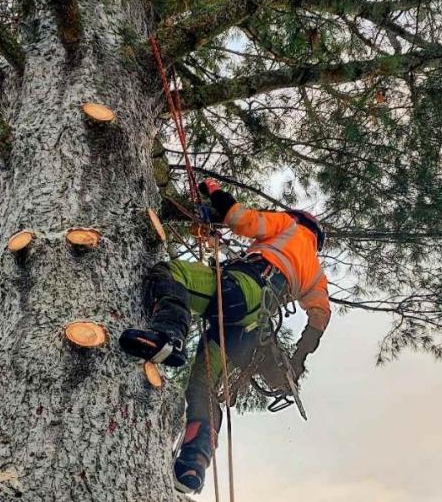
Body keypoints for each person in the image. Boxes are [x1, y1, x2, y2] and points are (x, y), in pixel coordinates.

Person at [119, 178, 331, 494]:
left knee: (170, 273)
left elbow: (241, 220)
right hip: (249, 328)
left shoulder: (288, 225)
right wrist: (298, 358)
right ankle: (193, 464)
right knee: (203, 385)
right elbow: (320, 317)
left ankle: (168, 335)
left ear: (299, 220)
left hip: (240, 291)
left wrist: (214, 190)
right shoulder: (315, 272)